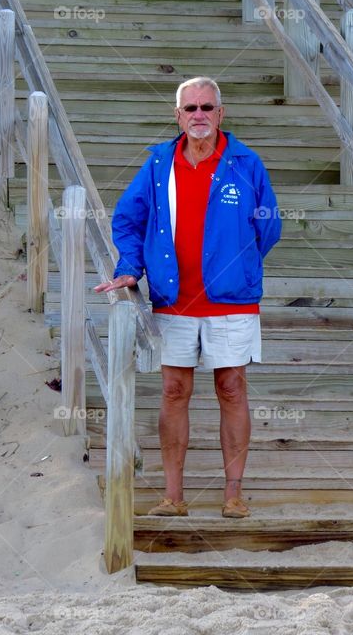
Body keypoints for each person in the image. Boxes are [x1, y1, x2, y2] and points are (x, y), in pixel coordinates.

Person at [95, 76, 281, 519]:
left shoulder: (246, 162)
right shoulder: (159, 163)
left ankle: (233, 494)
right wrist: (130, 267)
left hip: (232, 301)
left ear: (221, 113)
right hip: (173, 299)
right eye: (191, 108)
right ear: (177, 116)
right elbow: (128, 218)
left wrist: (240, 265)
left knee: (231, 388)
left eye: (207, 107)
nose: (199, 115)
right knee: (174, 390)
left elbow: (268, 226)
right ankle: (173, 496)